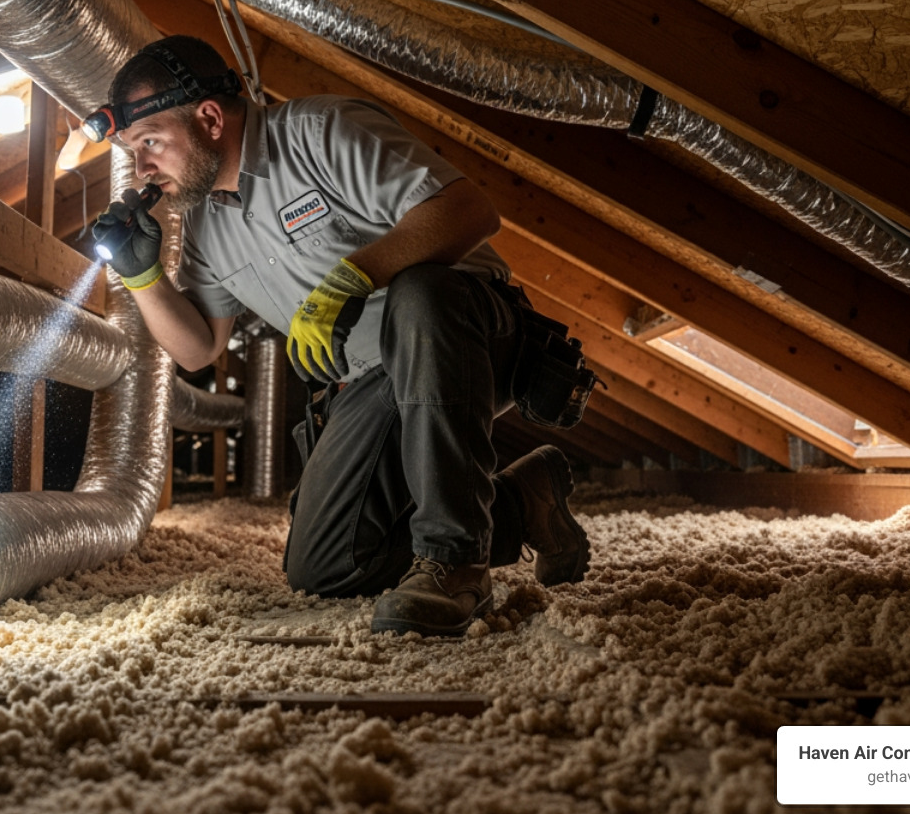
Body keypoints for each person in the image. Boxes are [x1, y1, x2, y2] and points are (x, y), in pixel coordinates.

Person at [91, 36, 589, 637]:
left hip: (469, 337)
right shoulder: (202, 223)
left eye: (149, 143)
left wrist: (355, 276)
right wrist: (142, 277)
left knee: (419, 292)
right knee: (324, 566)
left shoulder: (320, 133)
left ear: (210, 119)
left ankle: (456, 562)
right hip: (370, 383)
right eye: (132, 151)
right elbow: (199, 348)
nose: (141, 170)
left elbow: (469, 210)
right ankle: (523, 503)